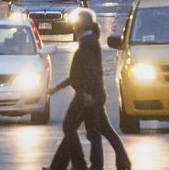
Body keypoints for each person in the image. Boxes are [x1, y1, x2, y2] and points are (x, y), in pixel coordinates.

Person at [48, 20, 130, 170]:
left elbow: (90, 73)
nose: (73, 27)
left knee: (72, 128)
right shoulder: (88, 42)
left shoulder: (88, 44)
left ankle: (80, 165)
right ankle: (121, 161)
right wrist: (58, 87)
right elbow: (78, 75)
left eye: (76, 25)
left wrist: (87, 94)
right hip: (91, 94)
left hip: (87, 96)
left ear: (81, 26)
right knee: (100, 131)